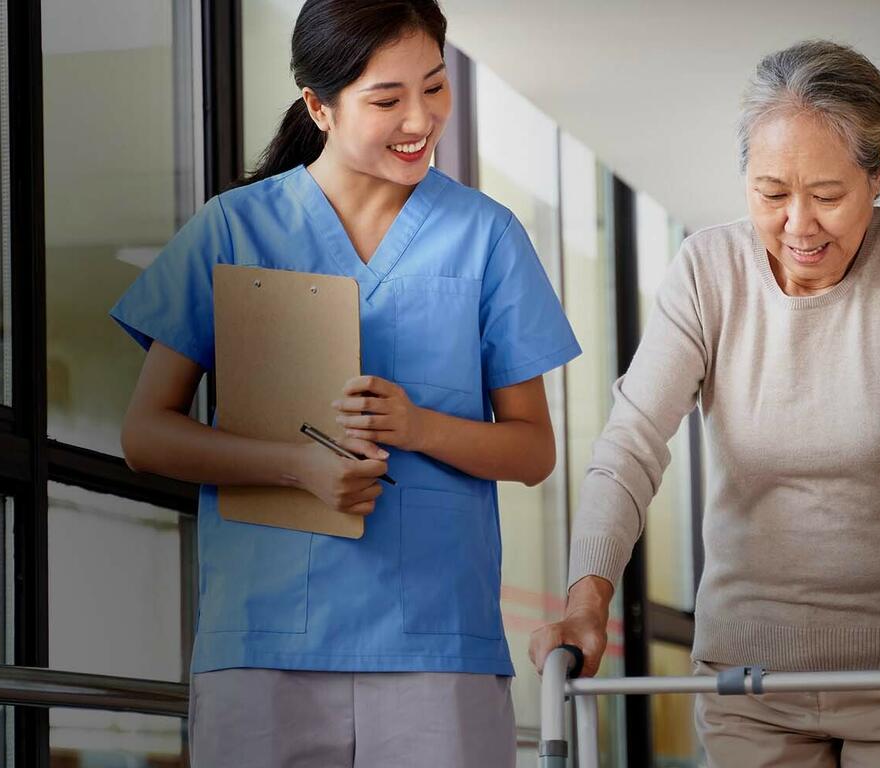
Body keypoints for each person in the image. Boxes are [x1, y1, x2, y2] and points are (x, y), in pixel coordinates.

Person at [529, 39, 880, 766]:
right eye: (772, 193)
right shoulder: (708, 272)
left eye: (828, 196)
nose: (799, 225)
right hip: (751, 677)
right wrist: (586, 607)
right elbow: (629, 448)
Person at [112, 1, 578, 765]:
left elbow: (533, 451)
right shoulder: (233, 230)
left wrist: (417, 426)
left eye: (434, 87)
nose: (420, 119)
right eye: (387, 100)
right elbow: (146, 433)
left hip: (437, 643)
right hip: (264, 641)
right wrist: (298, 468)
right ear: (317, 107)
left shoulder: (486, 235)